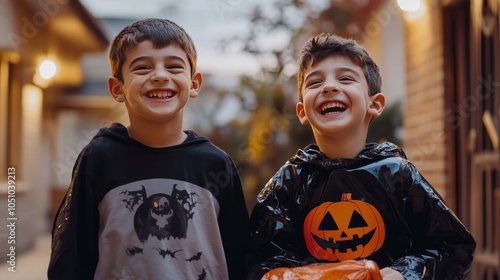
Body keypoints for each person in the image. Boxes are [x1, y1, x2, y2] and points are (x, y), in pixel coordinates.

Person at [246, 33, 476, 280]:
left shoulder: (397, 175)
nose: (329, 87)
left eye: (346, 78)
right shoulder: (288, 182)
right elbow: (261, 259)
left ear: (374, 104)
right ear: (302, 111)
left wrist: (403, 274)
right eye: (314, 83)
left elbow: (452, 246)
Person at [48, 18, 249, 280]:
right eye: (142, 68)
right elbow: (71, 256)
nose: (160, 76)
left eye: (174, 66)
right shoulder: (100, 158)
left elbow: (242, 257)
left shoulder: (215, 164)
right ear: (117, 89)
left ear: (194, 83)